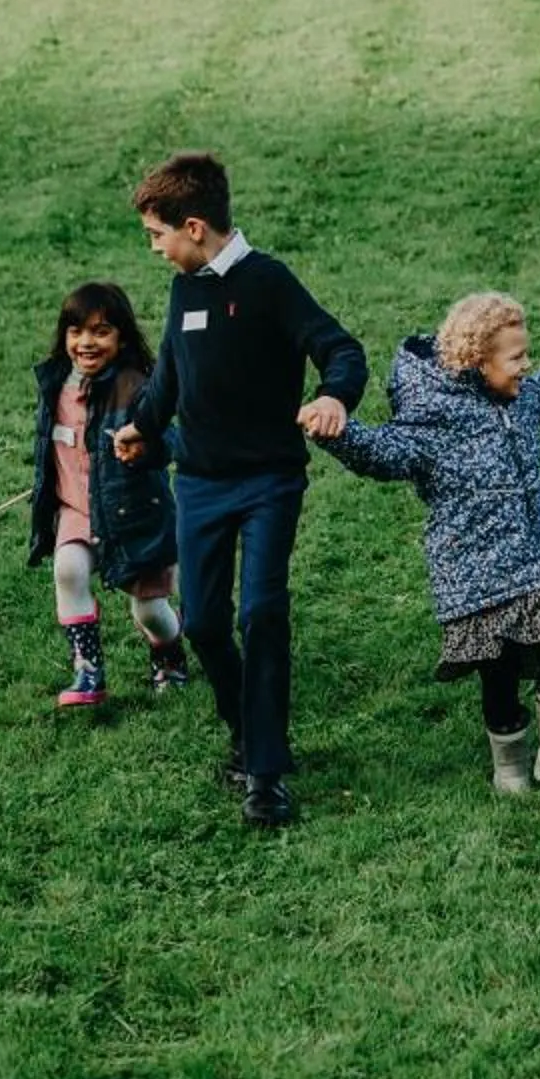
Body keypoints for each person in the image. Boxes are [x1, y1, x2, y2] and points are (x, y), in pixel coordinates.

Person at [112, 152, 367, 830]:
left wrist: (333, 398)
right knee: (201, 622)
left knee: (261, 613)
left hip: (267, 482)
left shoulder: (268, 283)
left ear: (193, 226)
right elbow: (169, 378)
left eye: (157, 235)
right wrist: (139, 426)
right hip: (197, 482)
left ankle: (267, 773)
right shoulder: (184, 291)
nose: (155, 249)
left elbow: (341, 350)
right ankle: (245, 733)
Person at [320, 293, 540, 796]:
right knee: (496, 675)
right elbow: (385, 452)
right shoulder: (435, 419)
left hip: (531, 565)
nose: (526, 365)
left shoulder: (521, 400)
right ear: (479, 362)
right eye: (516, 357)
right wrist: (338, 433)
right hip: (472, 577)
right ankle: (510, 769)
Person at [25, 282, 183, 707]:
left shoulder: (139, 388)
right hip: (79, 510)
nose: (86, 342)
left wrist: (145, 446)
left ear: (123, 337)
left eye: (101, 331)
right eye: (76, 331)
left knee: (149, 611)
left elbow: (170, 442)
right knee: (69, 571)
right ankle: (88, 669)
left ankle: (168, 650)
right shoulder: (56, 385)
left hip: (135, 516)